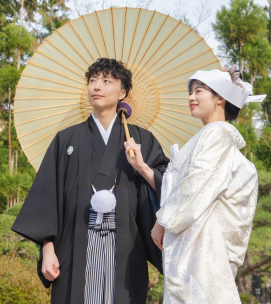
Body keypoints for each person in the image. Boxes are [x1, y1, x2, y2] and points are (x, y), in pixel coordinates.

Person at [12, 58, 170, 304]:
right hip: (74, 249)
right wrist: (47, 247)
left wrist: (143, 168)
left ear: (123, 92)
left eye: (107, 81)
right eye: (92, 81)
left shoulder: (141, 140)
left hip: (126, 251)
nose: (97, 87)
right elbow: (47, 197)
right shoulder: (66, 139)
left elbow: (171, 188)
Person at [151, 66, 263, 304]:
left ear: (220, 98)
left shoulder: (217, 135)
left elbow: (197, 184)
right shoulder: (212, 135)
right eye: (190, 92)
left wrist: (162, 221)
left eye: (198, 91)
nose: (191, 97)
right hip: (197, 243)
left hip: (203, 249)